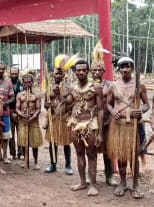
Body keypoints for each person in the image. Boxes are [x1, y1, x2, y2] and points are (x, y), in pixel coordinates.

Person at [106, 57, 149, 198]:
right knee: (121, 155)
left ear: (131, 68)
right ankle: (123, 183)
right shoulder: (113, 85)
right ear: (119, 69)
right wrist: (113, 112)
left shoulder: (139, 85)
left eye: (127, 66)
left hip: (133, 127)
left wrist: (141, 110)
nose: (125, 69)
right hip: (118, 126)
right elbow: (108, 104)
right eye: (122, 67)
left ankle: (135, 185)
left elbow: (146, 104)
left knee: (133, 156)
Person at [67, 59, 104, 196]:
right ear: (75, 72)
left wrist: (100, 133)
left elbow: (100, 110)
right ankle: (83, 182)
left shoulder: (96, 87)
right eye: (78, 70)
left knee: (92, 155)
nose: (81, 72)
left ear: (88, 71)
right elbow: (67, 105)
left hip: (91, 124)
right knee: (79, 154)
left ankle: (93, 185)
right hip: (76, 124)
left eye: (84, 70)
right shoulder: (72, 88)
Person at [89, 41, 117, 186]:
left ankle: (109, 176)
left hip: (107, 121)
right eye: (94, 70)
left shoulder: (110, 85)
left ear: (104, 71)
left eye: (100, 70)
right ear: (90, 72)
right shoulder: (87, 87)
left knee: (108, 150)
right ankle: (90, 175)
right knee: (90, 150)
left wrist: (110, 118)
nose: (97, 73)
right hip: (90, 123)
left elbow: (114, 104)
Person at [44, 55, 73, 175]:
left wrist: (59, 94)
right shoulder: (48, 87)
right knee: (52, 142)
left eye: (60, 74)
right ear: (53, 75)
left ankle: (68, 165)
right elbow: (46, 104)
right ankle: (53, 164)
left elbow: (68, 104)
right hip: (53, 118)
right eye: (56, 74)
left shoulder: (68, 88)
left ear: (63, 75)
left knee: (66, 142)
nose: (58, 76)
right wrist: (46, 105)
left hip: (64, 118)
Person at [16, 73, 42, 170]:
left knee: (34, 142)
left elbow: (38, 109)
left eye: (29, 82)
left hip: (33, 121)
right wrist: (22, 115)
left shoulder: (36, 95)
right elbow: (17, 108)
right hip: (23, 120)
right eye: (25, 82)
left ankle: (35, 162)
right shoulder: (19, 95)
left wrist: (32, 117)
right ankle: (25, 160)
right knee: (24, 141)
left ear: (32, 82)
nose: (27, 84)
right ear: (22, 83)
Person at [9, 66, 23, 160]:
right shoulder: (7, 84)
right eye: (12, 73)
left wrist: (19, 112)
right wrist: (10, 113)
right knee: (11, 135)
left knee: (20, 134)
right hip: (9, 112)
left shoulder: (22, 84)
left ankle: (21, 153)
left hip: (20, 113)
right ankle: (12, 153)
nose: (14, 75)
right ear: (9, 74)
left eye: (15, 73)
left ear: (18, 74)